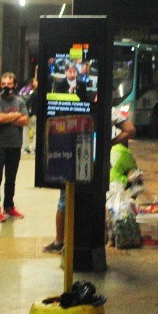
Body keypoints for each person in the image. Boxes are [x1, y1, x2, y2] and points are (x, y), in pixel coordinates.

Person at [45, 107, 134, 254]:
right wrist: (108, 144)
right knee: (93, 201)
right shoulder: (110, 111)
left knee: (64, 200)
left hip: (71, 159)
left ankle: (60, 241)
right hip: (95, 164)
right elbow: (130, 130)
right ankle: (91, 241)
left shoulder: (71, 106)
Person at [0, 72, 29, 222]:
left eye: (9, 84)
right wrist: (16, 115)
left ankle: (9, 206)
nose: (6, 87)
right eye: (3, 84)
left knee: (11, 178)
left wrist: (8, 118)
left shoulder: (20, 101)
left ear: (14, 85)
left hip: (15, 145)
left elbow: (25, 120)